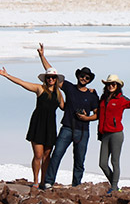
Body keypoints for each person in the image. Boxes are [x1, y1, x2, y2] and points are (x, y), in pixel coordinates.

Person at [37, 43, 99, 188]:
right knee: (56, 154)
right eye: (82, 76)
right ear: (78, 76)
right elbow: (52, 74)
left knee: (79, 161)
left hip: (83, 131)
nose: (84, 79)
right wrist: (42, 56)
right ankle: (48, 182)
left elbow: (97, 114)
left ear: (90, 79)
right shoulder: (69, 87)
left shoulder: (92, 94)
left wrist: (87, 118)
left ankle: (76, 186)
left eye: (87, 77)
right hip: (67, 128)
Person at [0, 65, 64, 188]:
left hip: (50, 126)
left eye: (53, 77)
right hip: (38, 124)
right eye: (48, 77)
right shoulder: (40, 89)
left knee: (47, 156)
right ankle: (36, 180)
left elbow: (65, 107)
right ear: (45, 78)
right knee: (38, 155)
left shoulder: (59, 94)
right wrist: (7, 75)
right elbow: (22, 83)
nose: (51, 79)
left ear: (56, 79)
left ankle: (44, 182)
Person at [79, 73, 130, 194]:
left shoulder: (121, 99)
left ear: (118, 86)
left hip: (116, 134)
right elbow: (97, 112)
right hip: (105, 134)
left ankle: (114, 187)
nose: (111, 86)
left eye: (113, 84)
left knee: (115, 161)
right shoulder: (103, 99)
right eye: (109, 84)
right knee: (102, 163)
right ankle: (115, 185)